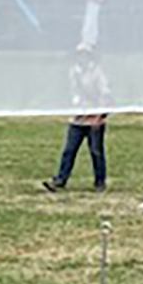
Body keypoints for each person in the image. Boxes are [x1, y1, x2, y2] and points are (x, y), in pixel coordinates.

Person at [44, 44, 111, 193]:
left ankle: (100, 182)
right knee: (69, 150)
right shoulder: (74, 71)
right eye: (79, 54)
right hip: (78, 119)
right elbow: (73, 93)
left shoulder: (97, 72)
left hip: (94, 119)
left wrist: (99, 117)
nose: (82, 57)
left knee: (96, 152)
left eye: (84, 54)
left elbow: (105, 95)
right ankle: (60, 180)